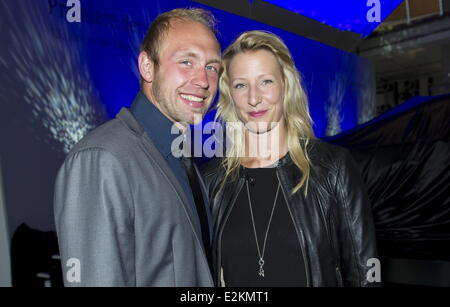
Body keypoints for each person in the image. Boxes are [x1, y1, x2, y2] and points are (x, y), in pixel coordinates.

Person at [54, 8, 221, 286]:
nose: (203, 81)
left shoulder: (180, 156)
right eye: (186, 62)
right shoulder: (103, 159)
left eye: (212, 67)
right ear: (146, 67)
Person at [201, 31, 379, 287]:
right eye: (241, 85)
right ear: (230, 95)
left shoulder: (331, 167)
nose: (254, 98)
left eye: (266, 81)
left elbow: (365, 273)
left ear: (286, 85)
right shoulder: (211, 180)